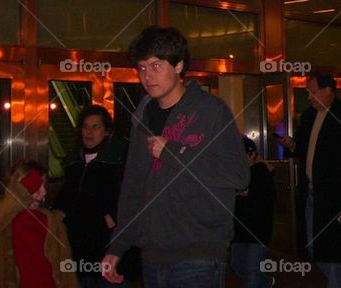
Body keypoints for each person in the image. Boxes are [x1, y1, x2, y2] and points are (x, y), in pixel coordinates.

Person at [101, 26, 250, 287]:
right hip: (152, 253)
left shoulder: (210, 111)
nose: (147, 76)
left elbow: (238, 175)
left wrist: (173, 151)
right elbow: (134, 185)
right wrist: (118, 245)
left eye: (156, 66)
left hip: (199, 253)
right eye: (142, 68)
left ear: (179, 65)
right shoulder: (142, 117)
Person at [279, 72, 341, 288]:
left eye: (313, 92)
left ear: (329, 91)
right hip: (313, 192)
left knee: (340, 246)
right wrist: (293, 146)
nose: (309, 97)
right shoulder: (309, 116)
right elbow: (305, 148)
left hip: (339, 194)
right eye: (308, 92)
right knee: (314, 245)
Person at [54, 104, 128, 288]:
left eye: (95, 127)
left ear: (106, 131)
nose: (89, 132)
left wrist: (112, 216)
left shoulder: (118, 158)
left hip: (107, 242)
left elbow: (129, 195)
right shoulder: (73, 160)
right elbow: (67, 196)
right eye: (86, 127)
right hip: (77, 243)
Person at [0, 161, 78, 288]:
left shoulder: (52, 220)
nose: (43, 192)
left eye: (44, 185)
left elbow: (66, 272)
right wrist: (22, 193)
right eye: (36, 186)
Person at [231, 137, 277, 288]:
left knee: (252, 271)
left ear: (252, 155)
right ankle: (265, 282)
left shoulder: (261, 174)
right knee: (238, 265)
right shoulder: (236, 175)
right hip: (239, 233)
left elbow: (264, 201)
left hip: (257, 233)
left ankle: (263, 282)